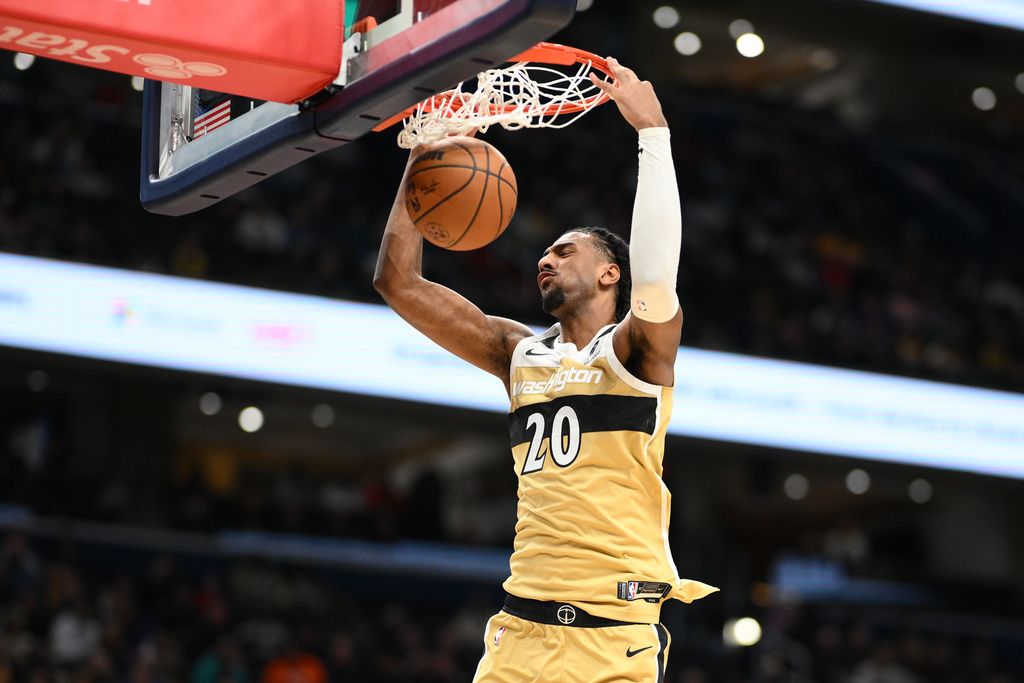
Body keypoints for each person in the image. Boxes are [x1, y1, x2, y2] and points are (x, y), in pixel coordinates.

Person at [373, 56, 717, 683]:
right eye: (543, 253)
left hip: (615, 641)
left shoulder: (637, 354)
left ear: (612, 272)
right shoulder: (517, 353)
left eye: (565, 251)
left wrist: (654, 136)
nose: (544, 260)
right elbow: (397, 282)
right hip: (519, 636)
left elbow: (660, 274)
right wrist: (420, 165)